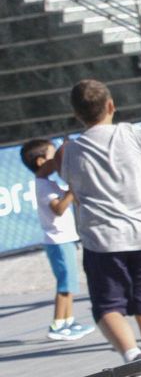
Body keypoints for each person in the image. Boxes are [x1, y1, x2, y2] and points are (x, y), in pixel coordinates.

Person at [48, 79, 141, 363]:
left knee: (106, 308)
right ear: (112, 105)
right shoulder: (131, 134)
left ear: (77, 114)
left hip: (102, 241)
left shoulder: (69, 152)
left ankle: (132, 355)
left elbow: (59, 173)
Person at [20, 139, 92, 342]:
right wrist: (71, 189)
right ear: (42, 161)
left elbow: (73, 200)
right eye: (54, 156)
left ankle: (68, 321)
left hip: (66, 239)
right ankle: (57, 325)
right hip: (57, 242)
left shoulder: (49, 183)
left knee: (71, 283)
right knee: (65, 285)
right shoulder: (43, 186)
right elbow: (59, 209)